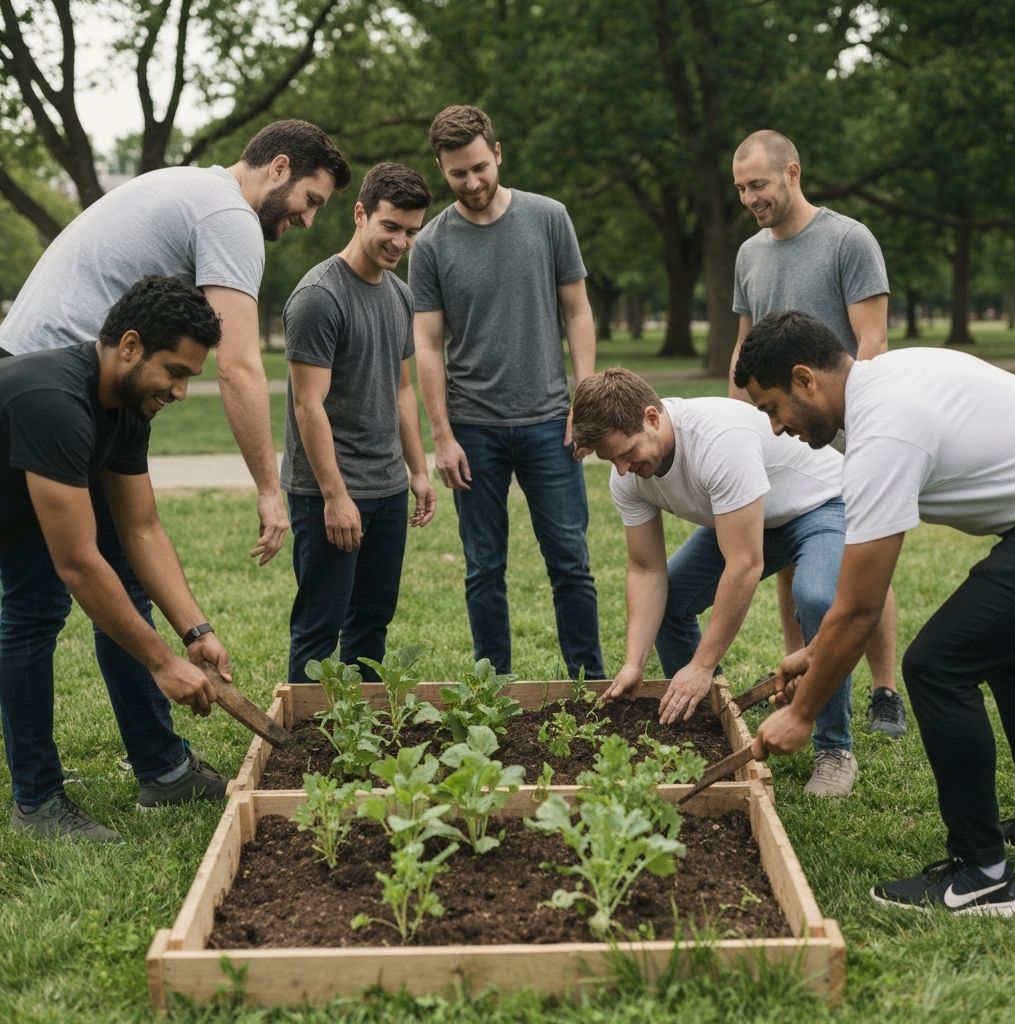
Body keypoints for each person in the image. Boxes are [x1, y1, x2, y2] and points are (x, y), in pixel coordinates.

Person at [0, 120, 349, 801]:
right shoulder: (230, 216)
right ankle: (47, 794)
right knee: (43, 599)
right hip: (51, 394)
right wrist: (268, 488)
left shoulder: (192, 192)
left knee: (122, 575)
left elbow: (144, 528)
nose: (306, 221)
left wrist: (195, 631)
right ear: (278, 168)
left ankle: (156, 764)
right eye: (310, 200)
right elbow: (241, 365)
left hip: (93, 385)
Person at [736, 310, 1015, 914]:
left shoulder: (884, 429)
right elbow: (858, 593)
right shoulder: (885, 384)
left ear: (805, 378)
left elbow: (861, 607)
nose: (777, 427)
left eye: (772, 407)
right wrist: (817, 654)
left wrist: (803, 713)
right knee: (1002, 649)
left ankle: (984, 875)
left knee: (938, 665)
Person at [0, 277, 232, 842]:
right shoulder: (54, 400)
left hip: (17, 508)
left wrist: (193, 630)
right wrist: (160, 663)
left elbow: (141, 528)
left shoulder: (127, 407)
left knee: (38, 612)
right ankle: (37, 803)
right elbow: (79, 563)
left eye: (189, 378)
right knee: (32, 618)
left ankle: (59, 789)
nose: (179, 392)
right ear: (129, 346)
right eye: (174, 372)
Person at [573, 367, 858, 796]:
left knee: (817, 597)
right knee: (672, 599)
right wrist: (634, 662)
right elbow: (646, 570)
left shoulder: (716, 440)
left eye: (627, 453)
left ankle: (834, 748)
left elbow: (743, 564)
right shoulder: (628, 474)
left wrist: (702, 664)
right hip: (749, 516)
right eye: (612, 460)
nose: (624, 469)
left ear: (652, 417)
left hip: (819, 505)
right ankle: (710, 719)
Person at [409, 104, 603, 679]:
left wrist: (584, 400)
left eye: (477, 168)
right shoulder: (432, 243)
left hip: (551, 423)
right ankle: (491, 691)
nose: (470, 183)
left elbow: (577, 310)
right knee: (483, 568)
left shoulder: (549, 218)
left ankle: (589, 684)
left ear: (497, 153)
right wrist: (441, 436)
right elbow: (426, 343)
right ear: (442, 170)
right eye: (456, 174)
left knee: (571, 563)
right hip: (473, 431)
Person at [728, 128, 907, 740]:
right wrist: (740, 416)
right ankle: (804, 666)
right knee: (796, 555)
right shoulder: (749, 254)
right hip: (782, 421)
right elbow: (746, 346)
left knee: (863, 559)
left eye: (759, 184)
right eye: (742, 189)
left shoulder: (849, 240)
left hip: (843, 418)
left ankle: (884, 689)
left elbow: (873, 341)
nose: (751, 197)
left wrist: (862, 427)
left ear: (792, 173)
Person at [282, 163, 437, 682]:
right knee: (320, 627)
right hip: (329, 490)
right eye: (390, 226)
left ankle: (358, 735)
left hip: (388, 487)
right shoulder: (318, 298)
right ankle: (304, 743)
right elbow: (309, 405)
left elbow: (402, 389)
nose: (400, 242)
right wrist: (334, 495)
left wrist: (417, 470)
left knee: (372, 623)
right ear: (360, 213)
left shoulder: (399, 294)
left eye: (411, 232)